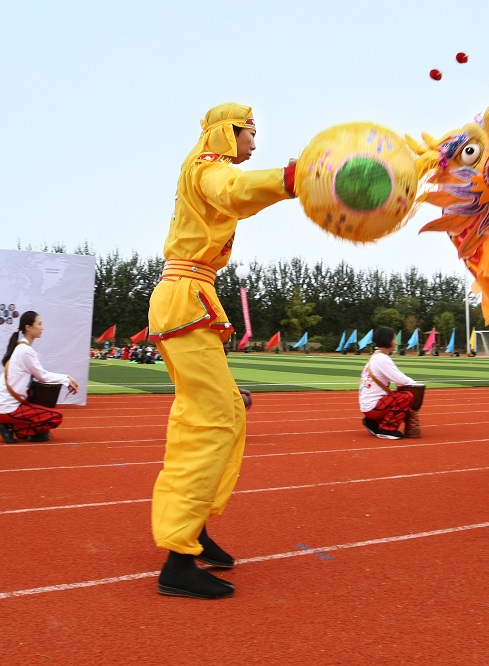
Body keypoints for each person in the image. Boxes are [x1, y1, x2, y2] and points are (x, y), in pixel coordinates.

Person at [147, 102, 297, 599]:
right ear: (229, 133)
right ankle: (178, 559)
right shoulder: (208, 169)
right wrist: (294, 178)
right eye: (250, 134)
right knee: (209, 418)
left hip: (191, 296)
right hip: (186, 296)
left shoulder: (206, 169)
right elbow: (236, 193)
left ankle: (195, 528)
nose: (254, 143)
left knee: (224, 410)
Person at [0, 311, 80, 443]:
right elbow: (43, 376)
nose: (42, 327)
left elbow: (40, 375)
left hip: (5, 406)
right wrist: (67, 379)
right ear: (28, 328)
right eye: (39, 324)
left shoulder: (19, 348)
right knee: (55, 417)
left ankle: (11, 426)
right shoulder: (26, 351)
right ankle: (15, 428)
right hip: (8, 408)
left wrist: (66, 378)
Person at [360, 327, 417, 440]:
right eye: (394, 339)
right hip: (374, 407)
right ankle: (387, 429)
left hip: (368, 406)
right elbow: (402, 380)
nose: (396, 342)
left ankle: (372, 422)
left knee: (397, 394)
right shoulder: (382, 358)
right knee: (406, 397)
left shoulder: (375, 356)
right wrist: (417, 386)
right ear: (388, 340)